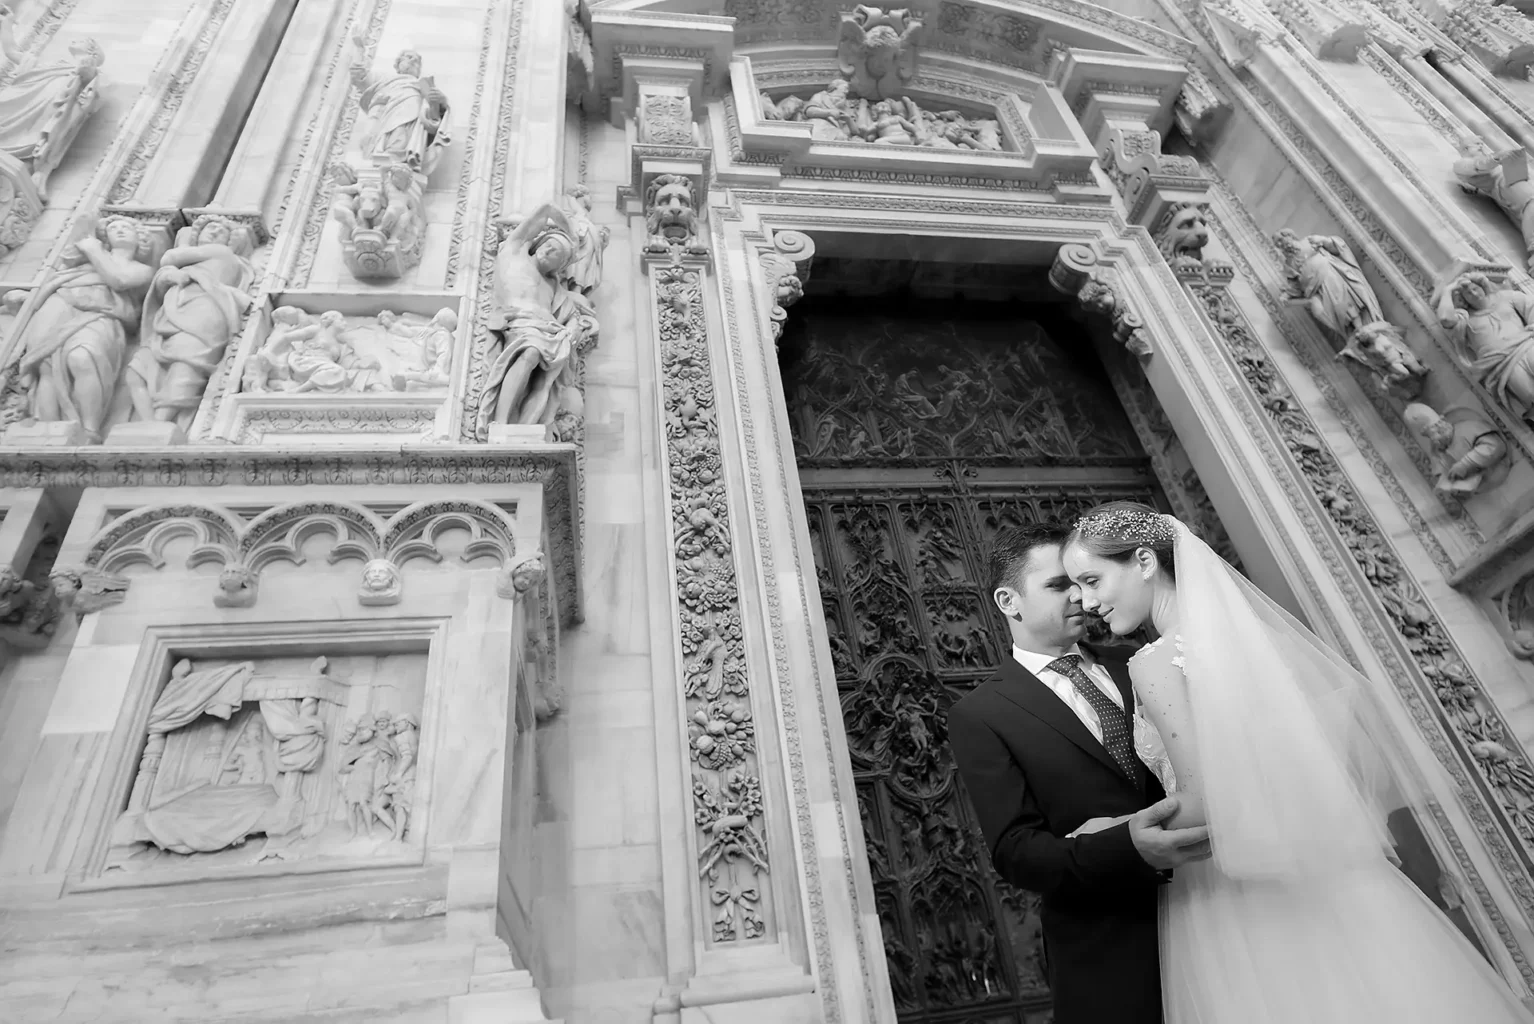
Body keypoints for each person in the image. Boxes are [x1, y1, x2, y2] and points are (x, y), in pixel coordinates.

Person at [1061, 501, 1534, 1024]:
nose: (1086, 602)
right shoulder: (1258, 643)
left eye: (1091, 580)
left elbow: (1205, 806)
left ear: (1145, 562)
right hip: (1327, 874)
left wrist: (1107, 833)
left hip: (1242, 897)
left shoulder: (1154, 664)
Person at [947, 522, 1211, 1024]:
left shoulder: (1145, 658)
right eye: (1056, 585)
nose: (1078, 596)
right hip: (1106, 947)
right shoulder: (980, 715)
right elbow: (1017, 852)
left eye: (1080, 581)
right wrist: (1124, 846)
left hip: (1210, 906)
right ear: (1009, 601)